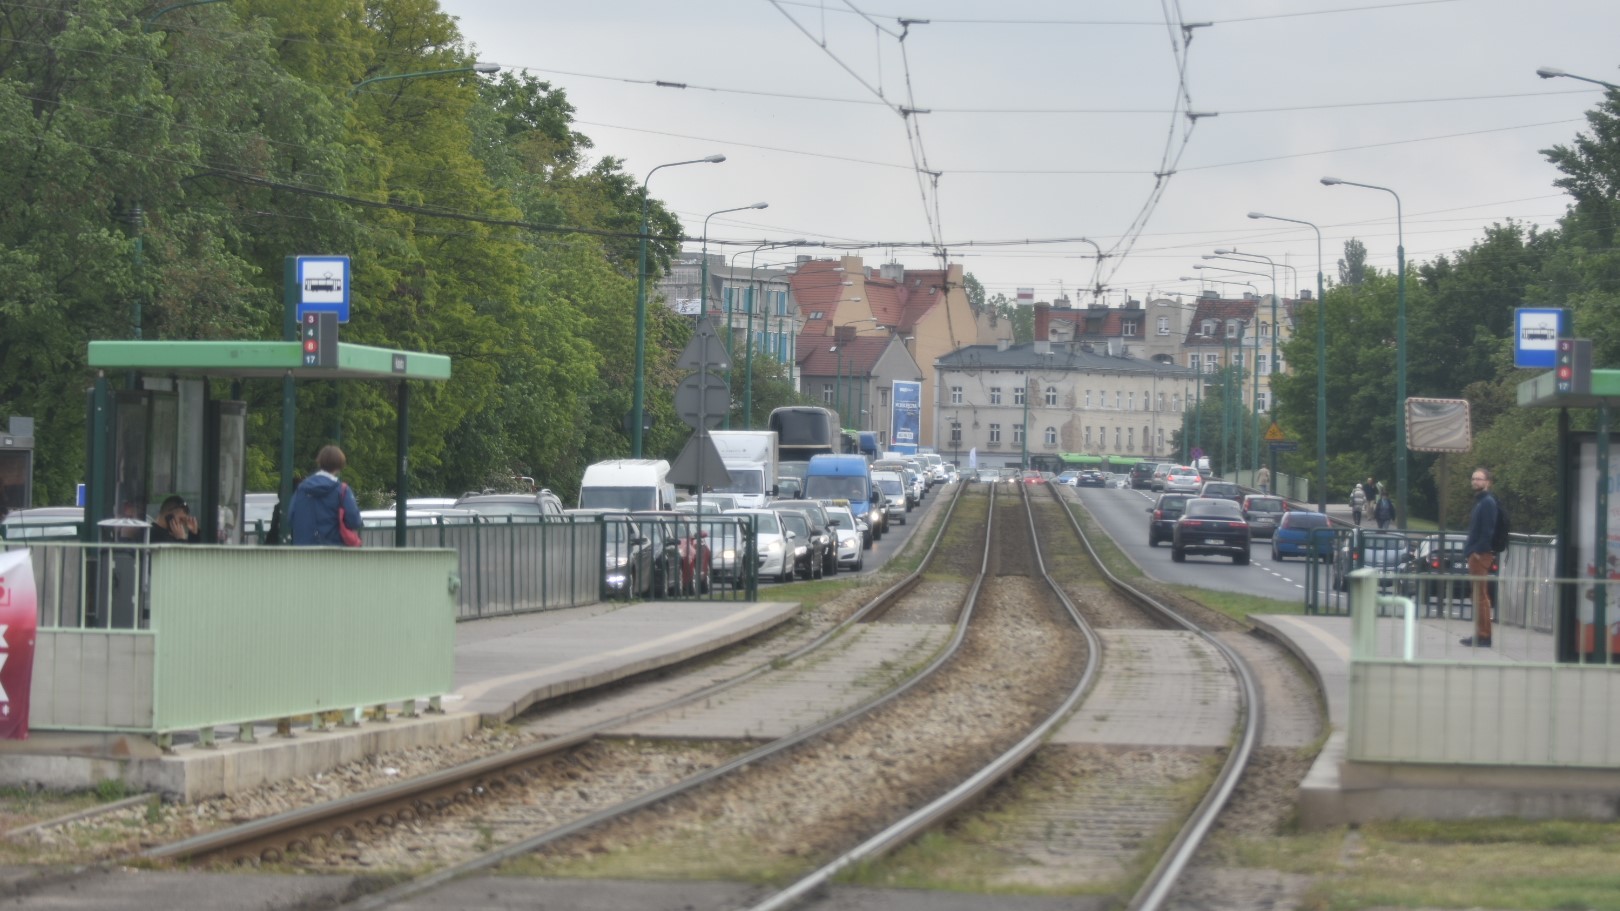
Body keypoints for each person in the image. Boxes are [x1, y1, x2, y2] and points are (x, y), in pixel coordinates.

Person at [287, 445, 362, 546]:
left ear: (319, 462)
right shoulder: (342, 490)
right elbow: (354, 521)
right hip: (333, 550)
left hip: (303, 551)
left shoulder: (301, 489)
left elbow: (291, 517)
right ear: (340, 466)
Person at [1460, 467, 1500, 648]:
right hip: (1477, 553)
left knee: (1480, 596)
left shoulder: (1487, 503)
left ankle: (1483, 635)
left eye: (1479, 479)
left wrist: (1476, 551)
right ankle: (1481, 633)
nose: (1475, 481)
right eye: (1473, 478)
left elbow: (1487, 531)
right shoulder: (1482, 502)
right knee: (1478, 595)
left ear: (1487, 483)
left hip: (1480, 555)